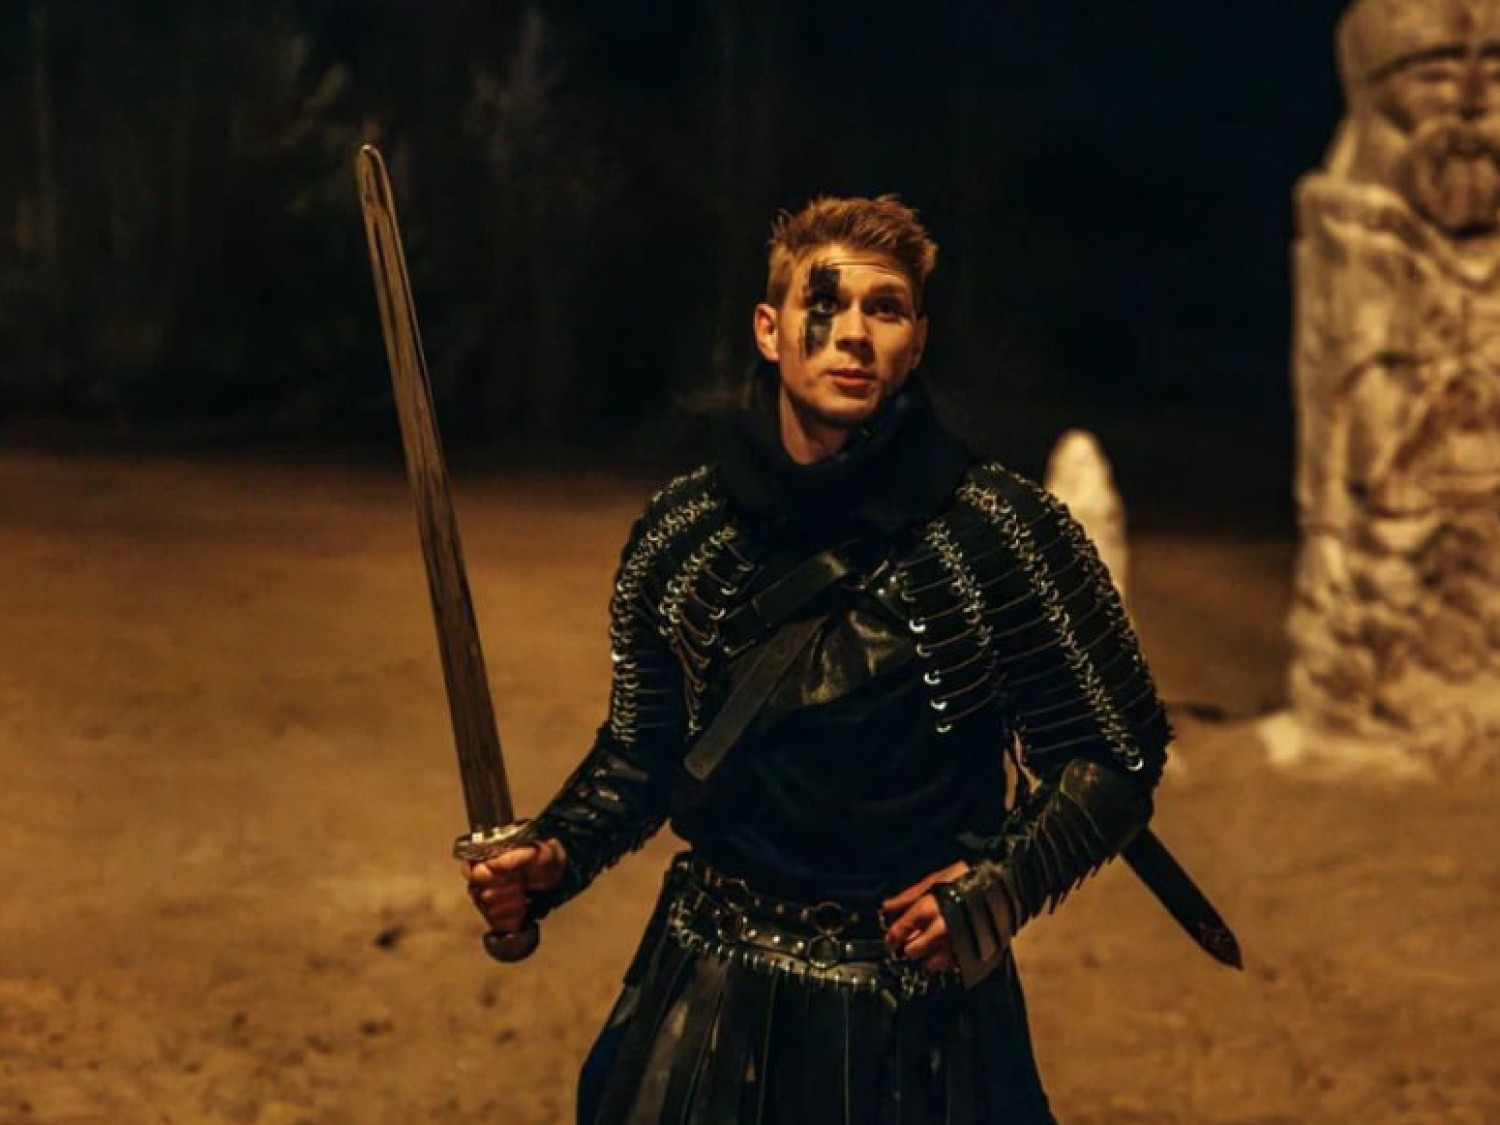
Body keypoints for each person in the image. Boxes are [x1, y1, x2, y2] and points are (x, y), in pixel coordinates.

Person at [465, 195, 1172, 1124]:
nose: (853, 335)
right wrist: (556, 850)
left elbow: (1117, 750)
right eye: (825, 305)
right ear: (769, 329)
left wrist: (995, 887)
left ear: (917, 341)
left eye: (885, 310)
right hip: (708, 985)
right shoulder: (684, 533)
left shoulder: (1002, 534)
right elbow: (645, 749)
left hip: (913, 1011)